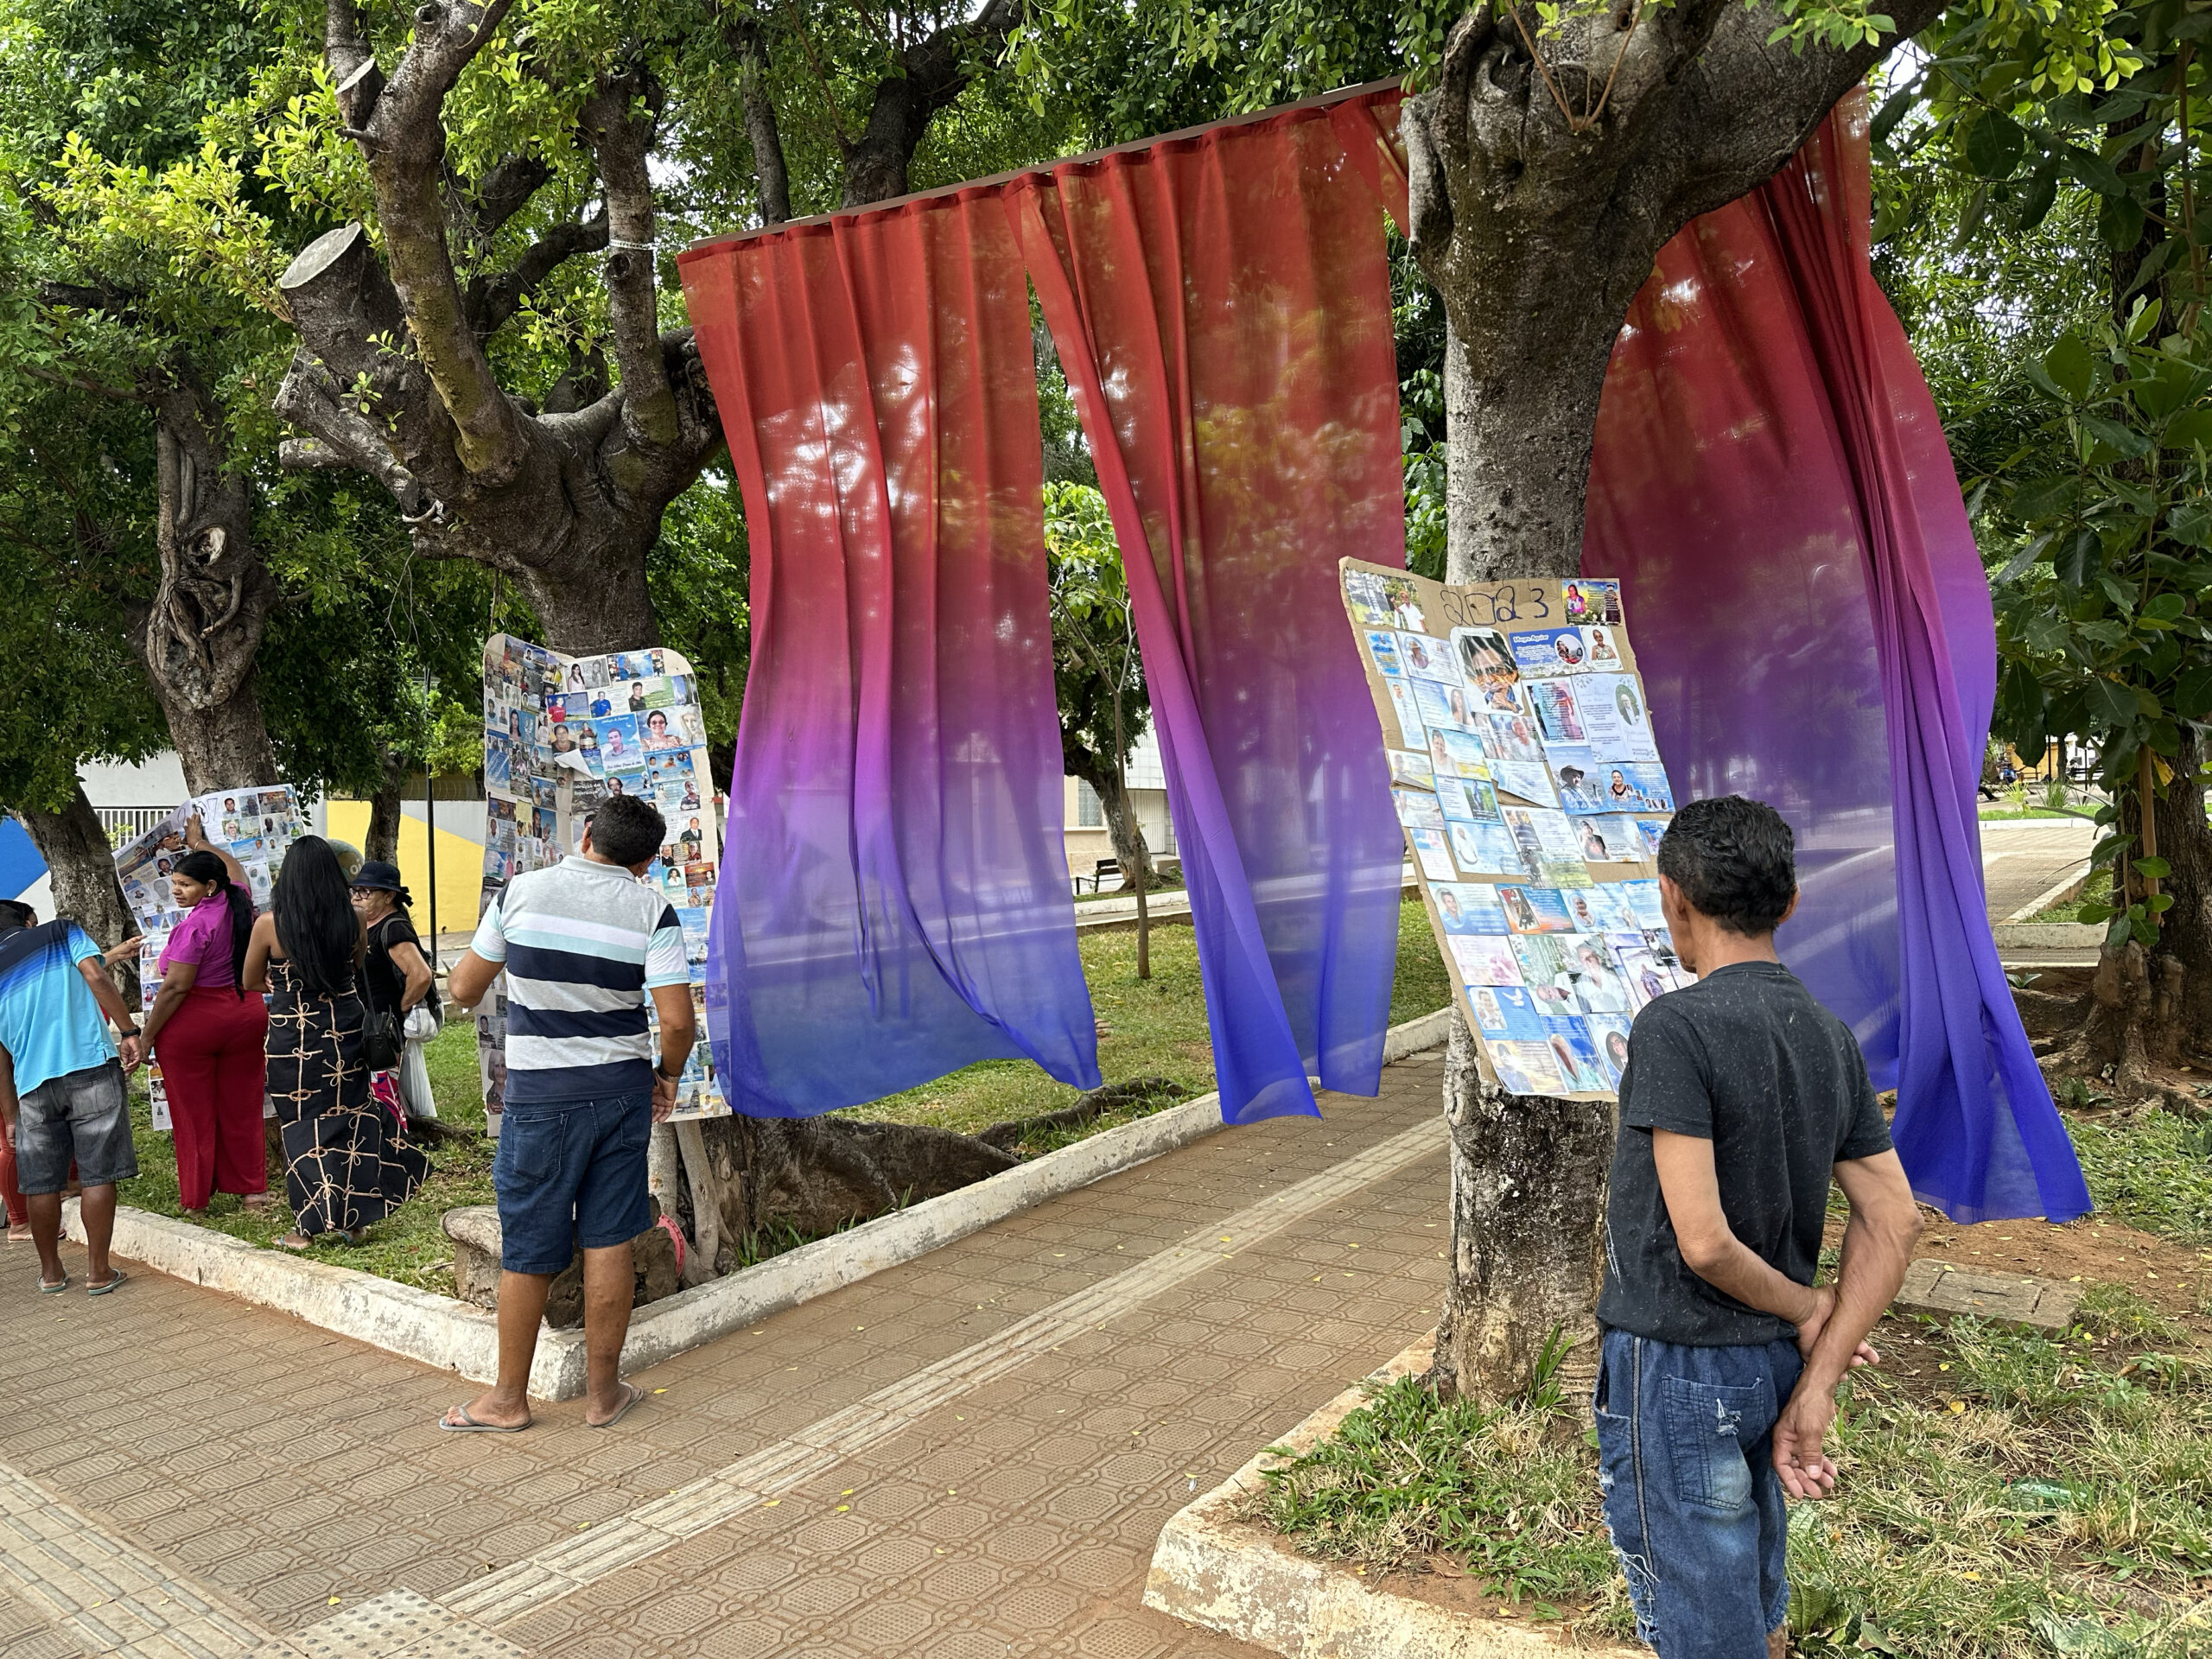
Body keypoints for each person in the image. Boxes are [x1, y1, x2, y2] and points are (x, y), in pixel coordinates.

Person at [1592, 797, 1920, 1659]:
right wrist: (1818, 1374)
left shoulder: (1674, 1027)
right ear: (1791, 904)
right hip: (1769, 1368)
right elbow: (1894, 1216)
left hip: (1676, 1365)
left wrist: (1809, 1308)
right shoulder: (1827, 1035)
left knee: (1703, 1618)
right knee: (1750, 1591)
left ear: (1674, 898)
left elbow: (1702, 1243)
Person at [441, 793, 695, 1432]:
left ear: (585, 836)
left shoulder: (520, 893)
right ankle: (604, 1396)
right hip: (621, 1094)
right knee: (610, 1236)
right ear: (645, 862)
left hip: (541, 1100)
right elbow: (676, 1022)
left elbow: (464, 988)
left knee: (529, 1244)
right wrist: (666, 1078)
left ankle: (507, 1401)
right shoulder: (652, 909)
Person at [243, 837, 429, 1250]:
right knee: (350, 1120)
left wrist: (281, 981)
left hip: (294, 1036)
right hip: (345, 1031)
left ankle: (306, 1229)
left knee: (300, 1125)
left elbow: (250, 980)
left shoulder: (269, 924)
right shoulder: (356, 918)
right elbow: (355, 968)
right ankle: (354, 1221)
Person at [0, 899, 146, 1294]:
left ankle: (51, 1274)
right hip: (89, 1066)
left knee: (41, 1183)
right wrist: (129, 1031)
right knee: (98, 1173)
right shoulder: (60, 931)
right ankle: (99, 1272)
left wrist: (10, 1116)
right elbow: (96, 975)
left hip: (32, 1085)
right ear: (28, 923)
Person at [139, 823, 270, 1212]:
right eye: (175, 884)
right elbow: (236, 869)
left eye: (185, 885)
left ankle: (196, 1199)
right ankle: (253, 1191)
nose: (176, 891)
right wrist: (197, 842)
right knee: (243, 1106)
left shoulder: (196, 925)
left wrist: (147, 1036)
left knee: (193, 1114)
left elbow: (176, 988)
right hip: (246, 1012)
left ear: (210, 886)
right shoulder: (239, 900)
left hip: (196, 1022)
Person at [351, 862, 439, 1123]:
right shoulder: (367, 924)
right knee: (376, 1092)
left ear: (389, 896)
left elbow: (421, 975)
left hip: (383, 1029)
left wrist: (401, 1008)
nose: (357, 897)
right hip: (369, 1025)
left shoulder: (394, 928)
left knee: (384, 1095)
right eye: (356, 890)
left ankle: (395, 1141)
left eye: (366, 892)